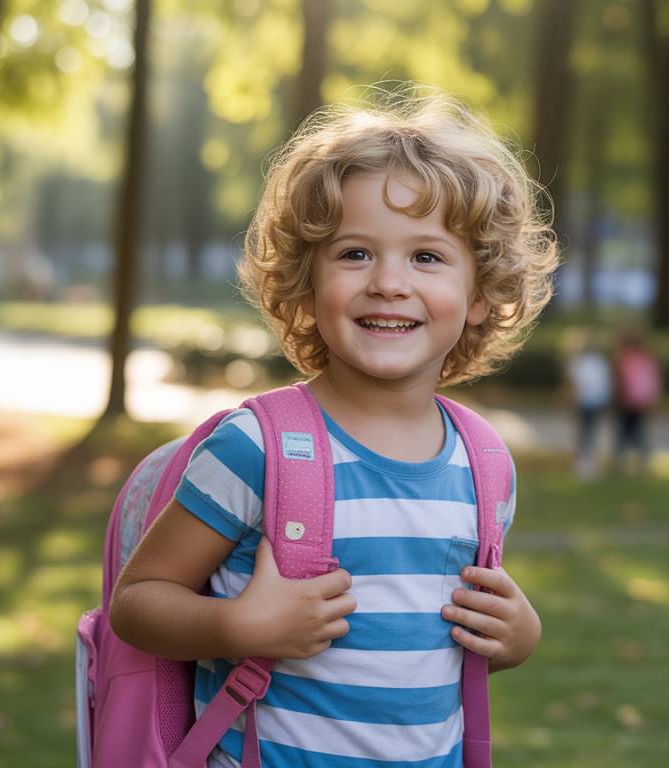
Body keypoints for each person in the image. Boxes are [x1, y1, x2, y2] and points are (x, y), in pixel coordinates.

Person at [109, 89, 558, 767]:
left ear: (480, 294)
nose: (388, 282)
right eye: (354, 254)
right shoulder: (254, 448)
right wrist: (234, 625)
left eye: (427, 258)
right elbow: (138, 604)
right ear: (305, 284)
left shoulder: (485, 464)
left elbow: (408, 656)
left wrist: (516, 636)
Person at [612, 327, 663, 472]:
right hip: (642, 401)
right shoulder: (648, 360)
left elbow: (619, 382)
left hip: (627, 401)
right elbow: (655, 381)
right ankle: (641, 462)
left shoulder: (624, 359)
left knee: (625, 433)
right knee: (639, 432)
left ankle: (622, 461)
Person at [565, 333, 612, 480]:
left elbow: (574, 384)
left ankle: (581, 463)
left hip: (583, 402)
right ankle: (591, 462)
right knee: (592, 432)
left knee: (582, 433)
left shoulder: (579, 362)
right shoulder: (600, 362)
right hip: (598, 401)